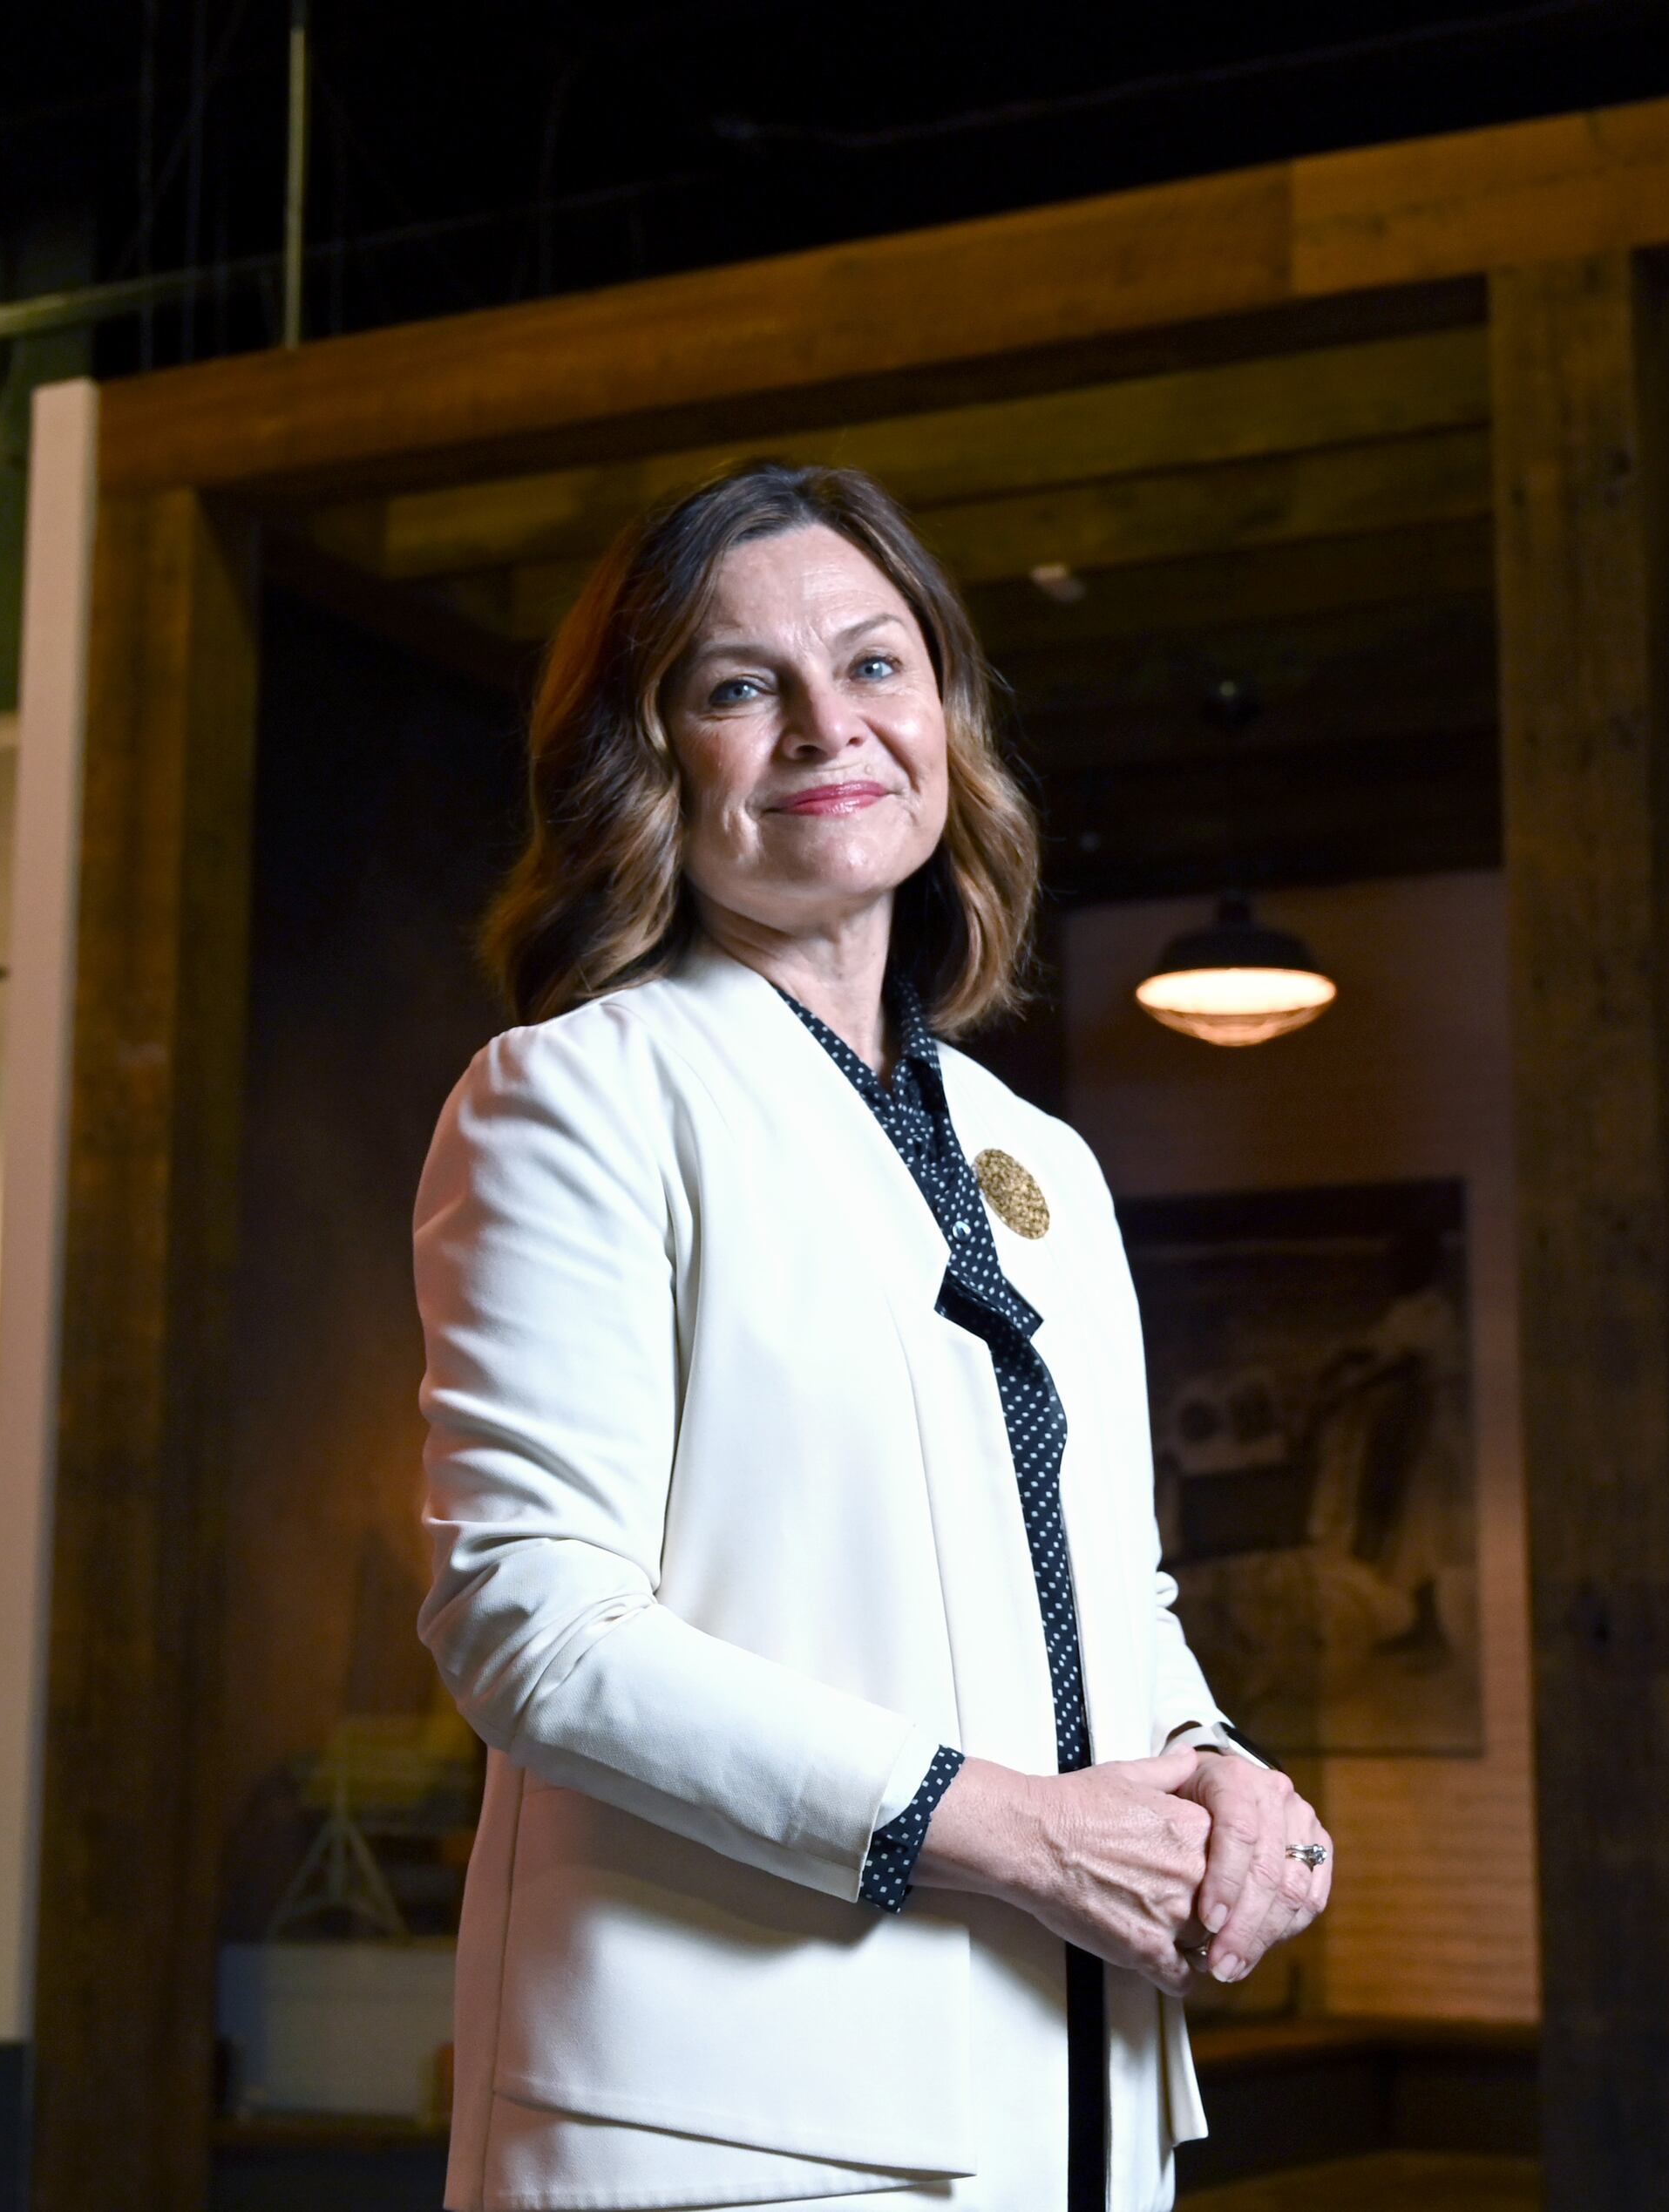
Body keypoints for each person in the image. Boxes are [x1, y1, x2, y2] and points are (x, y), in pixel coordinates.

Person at [414, 463, 1333, 2212]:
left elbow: (1111, 1603)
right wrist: (1006, 1831)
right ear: (650, 755)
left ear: (948, 712)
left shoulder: (1031, 1155)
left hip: (1077, 2111)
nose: (829, 726)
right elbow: (528, 1620)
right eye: (739, 685)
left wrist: (1222, 1787)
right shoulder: (576, 1097)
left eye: (875, 664)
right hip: (729, 2140)